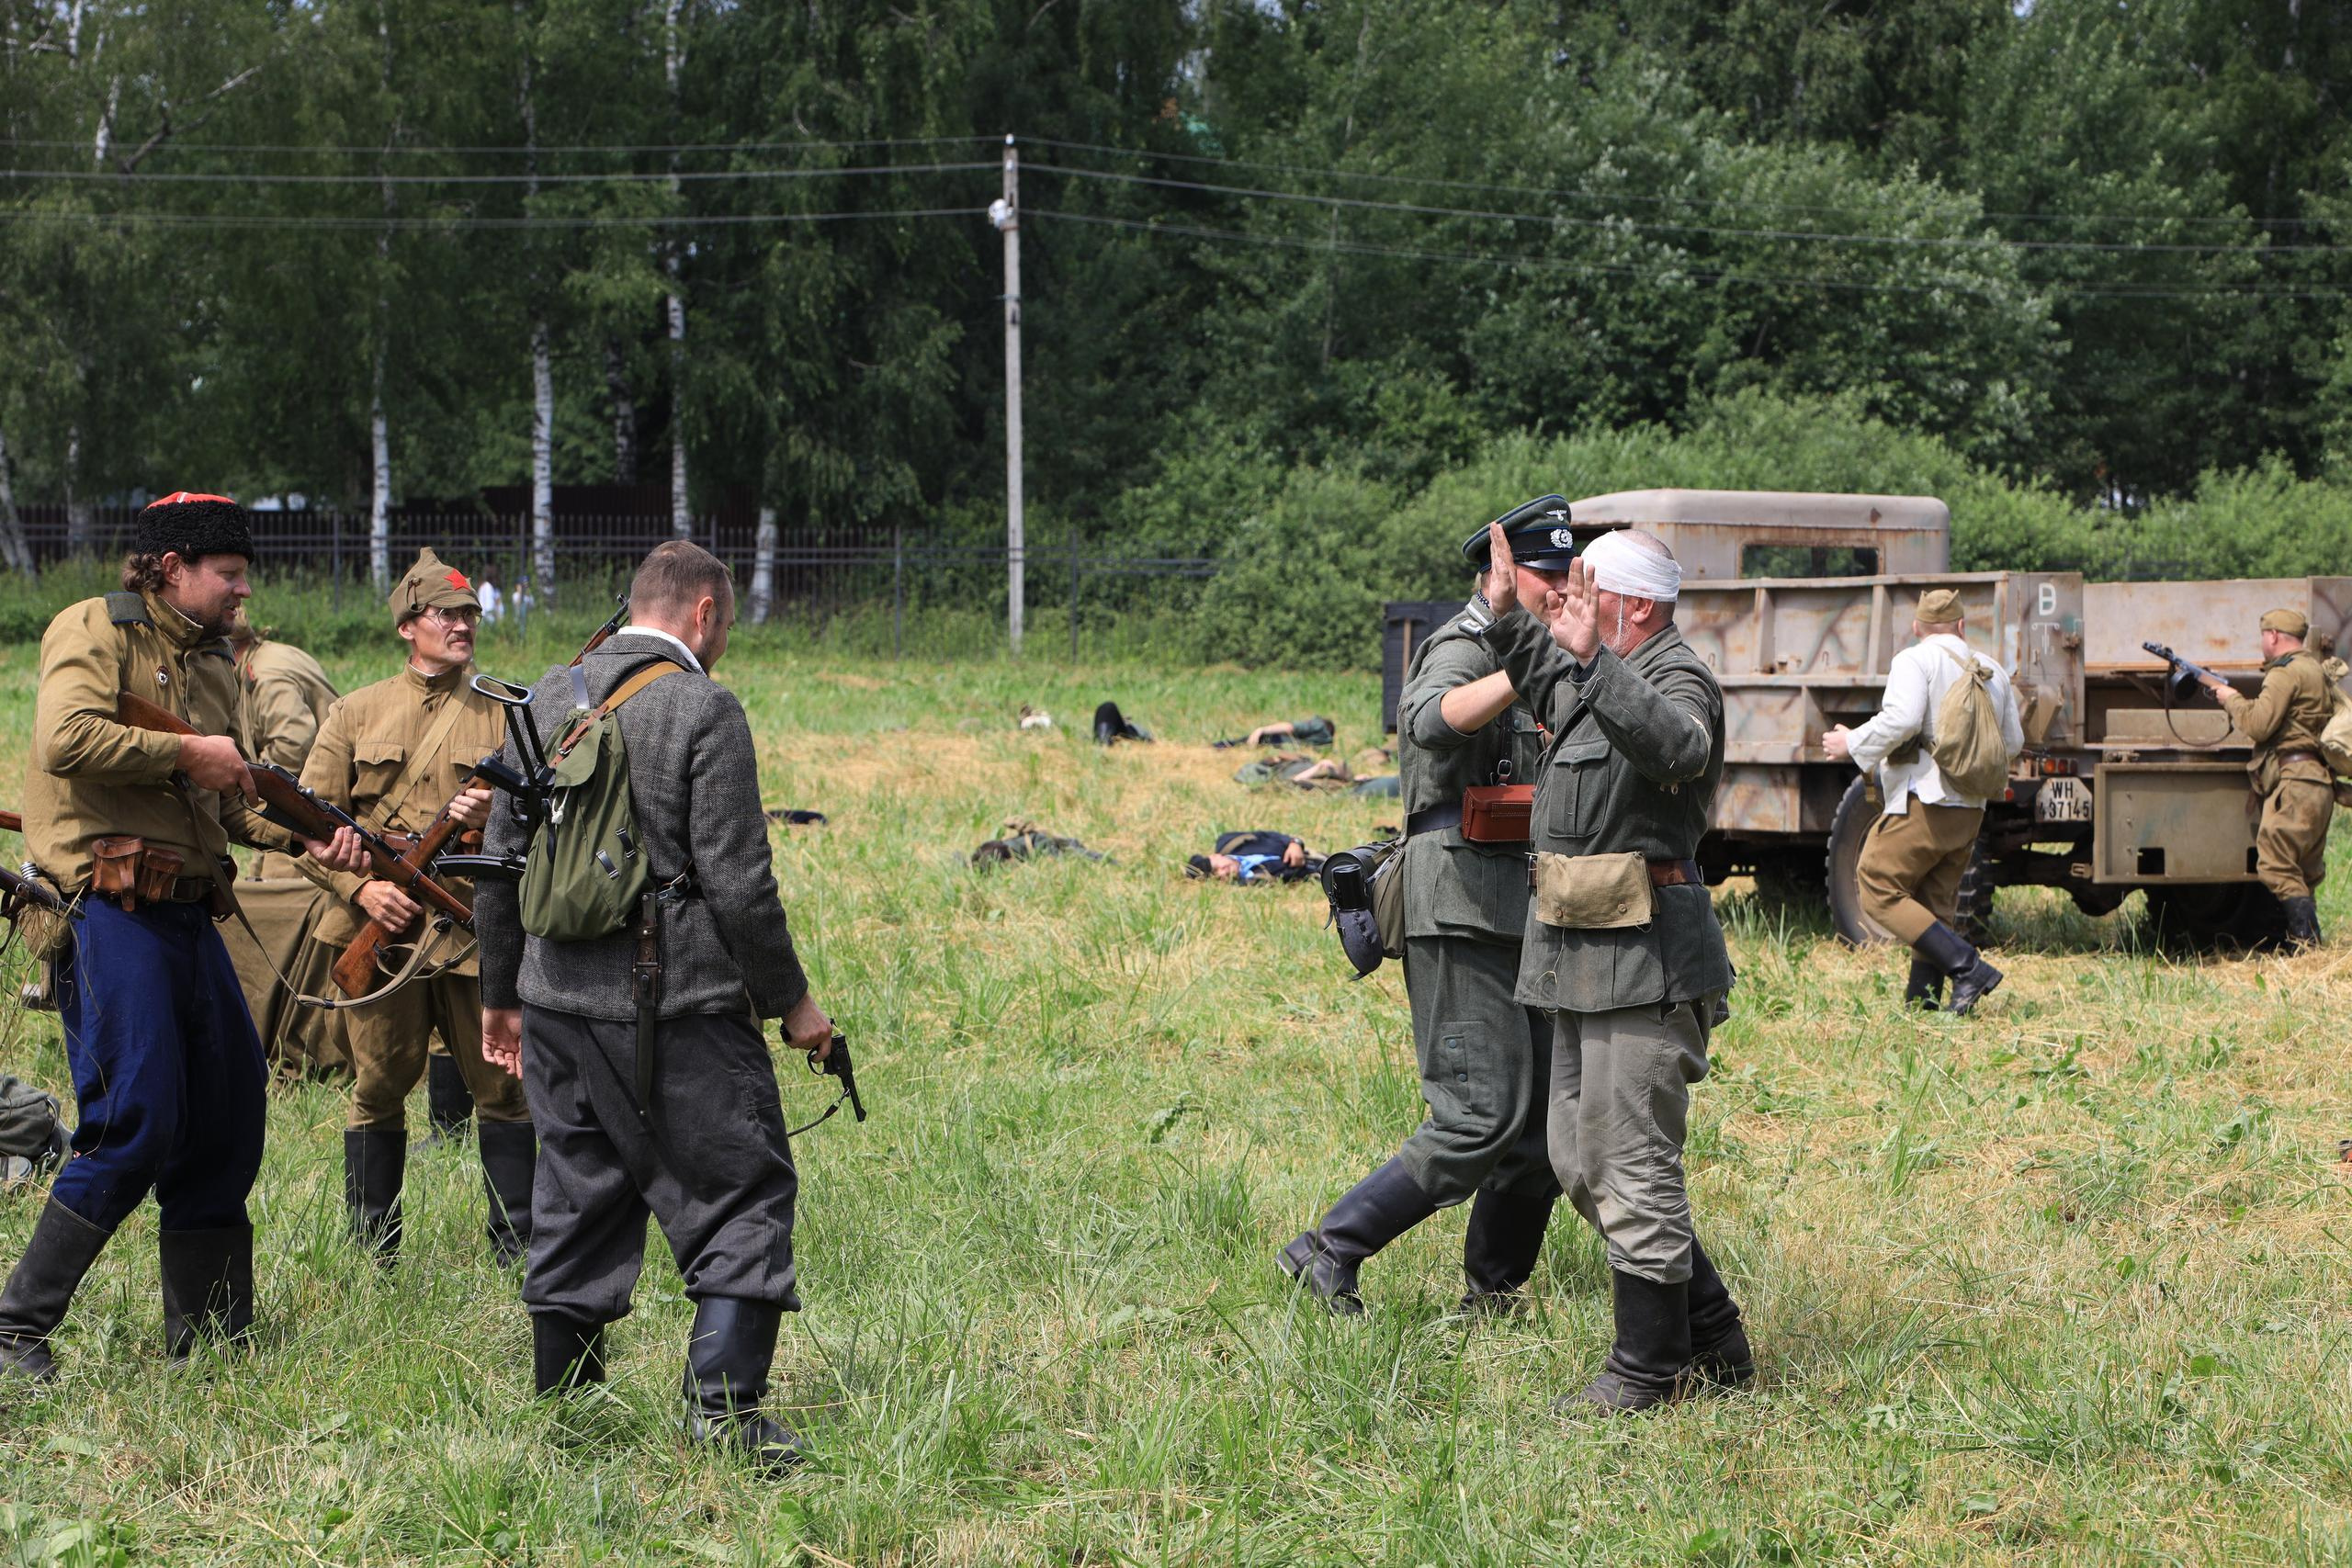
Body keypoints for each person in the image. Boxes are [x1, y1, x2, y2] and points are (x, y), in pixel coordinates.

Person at [476, 540, 836, 1474]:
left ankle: (564, 1414)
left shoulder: (547, 696)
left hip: (552, 1002)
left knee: (576, 1194)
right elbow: (738, 883)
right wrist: (791, 1003)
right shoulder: (703, 709)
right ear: (706, 615)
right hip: (675, 1008)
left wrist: (498, 994)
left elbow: (497, 859)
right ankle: (724, 1418)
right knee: (743, 1189)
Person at [0, 492, 365, 1381]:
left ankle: (208, 1340)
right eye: (229, 575)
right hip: (107, 911)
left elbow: (231, 799)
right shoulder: (93, 628)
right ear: (172, 568)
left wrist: (312, 835)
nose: (244, 591)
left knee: (231, 1118)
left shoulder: (213, 665)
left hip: (188, 911)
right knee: (136, 1119)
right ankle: (14, 1326)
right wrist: (186, 754)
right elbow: (65, 736)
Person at [1278, 497, 1576, 1317]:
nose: (1559, 591)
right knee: (1478, 1113)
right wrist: (1523, 666)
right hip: (1456, 903)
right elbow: (1423, 719)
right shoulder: (1465, 644)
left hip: (1528, 908)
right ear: (1502, 572)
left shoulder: (1545, 650)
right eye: (1544, 575)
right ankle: (1328, 1247)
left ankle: (1494, 1291)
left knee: (1547, 1125)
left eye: (1564, 575)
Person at [1479, 522, 1753, 1414]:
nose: (1570, 604)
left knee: (1631, 1164)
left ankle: (1648, 1367)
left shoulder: (1675, 675)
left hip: (1647, 956)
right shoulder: (1596, 667)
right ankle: (1708, 1328)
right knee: (1578, 1157)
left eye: (1585, 592)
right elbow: (1550, 681)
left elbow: (1678, 747)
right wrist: (1504, 613)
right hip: (1580, 952)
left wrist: (1594, 657)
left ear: (1632, 603)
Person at [298, 549, 531, 1266]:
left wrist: (502, 806)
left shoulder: (508, 715)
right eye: (447, 615)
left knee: (503, 1087)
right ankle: (375, 1253)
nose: (463, 627)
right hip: (385, 933)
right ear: (408, 625)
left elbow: (550, 816)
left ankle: (516, 1249)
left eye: (470, 615)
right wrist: (358, 888)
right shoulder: (355, 710)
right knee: (378, 1084)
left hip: (471, 928)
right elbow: (304, 824)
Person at [1823, 588, 2024, 1012]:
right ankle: (1923, 1004)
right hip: (1971, 809)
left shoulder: (1914, 659)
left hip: (1924, 801)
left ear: (1917, 628)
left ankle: (1968, 968)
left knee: (1877, 885)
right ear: (1962, 626)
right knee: (1935, 903)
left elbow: (1903, 718)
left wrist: (1850, 742)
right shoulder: (1992, 669)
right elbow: (2013, 742)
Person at [2198, 608, 2337, 950]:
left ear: (2273, 635)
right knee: (2303, 871)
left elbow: (2259, 724)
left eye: (2264, 635)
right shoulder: (2315, 671)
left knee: (2275, 862)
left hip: (2294, 782)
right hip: (2318, 782)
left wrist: (2230, 700)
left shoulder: (2284, 673)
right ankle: (2305, 947)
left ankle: (2307, 943)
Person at [1186, 830, 1317, 883]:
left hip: (1314, 853)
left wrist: (1294, 843)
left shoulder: (1229, 842)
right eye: (1217, 876)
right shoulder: (1251, 880)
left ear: (1215, 856)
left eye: (1216, 868)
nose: (1222, 872)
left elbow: (1266, 834)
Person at [1216, 716, 1337, 750]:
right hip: (1289, 750)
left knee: (1263, 737)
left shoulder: (1319, 725)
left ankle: (1219, 746)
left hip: (1277, 742)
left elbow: (1289, 727)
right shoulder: (1327, 744)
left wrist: (1261, 730)